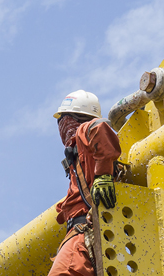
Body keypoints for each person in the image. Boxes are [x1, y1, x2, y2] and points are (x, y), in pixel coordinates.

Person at [48, 90, 121, 276]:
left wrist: (103, 174)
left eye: (64, 119)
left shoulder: (84, 132)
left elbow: (100, 126)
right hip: (79, 235)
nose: (62, 126)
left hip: (81, 234)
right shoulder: (78, 155)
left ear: (76, 118)